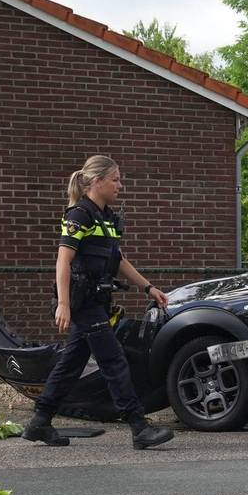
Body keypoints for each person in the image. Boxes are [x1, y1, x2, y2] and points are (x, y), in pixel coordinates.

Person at [23, 155, 175, 449]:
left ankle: (39, 421)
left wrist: (149, 288)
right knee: (113, 360)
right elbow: (63, 260)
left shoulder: (107, 218)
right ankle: (139, 427)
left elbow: (117, 260)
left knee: (72, 362)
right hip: (84, 303)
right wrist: (63, 303)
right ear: (97, 182)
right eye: (115, 179)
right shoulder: (79, 215)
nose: (121, 185)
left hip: (97, 300)